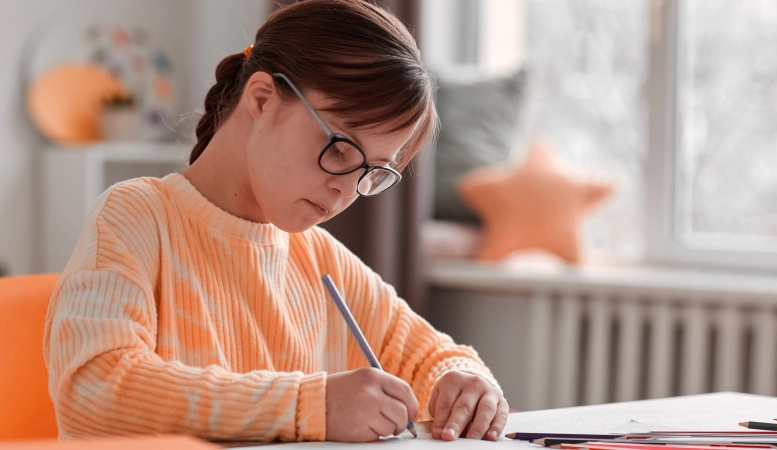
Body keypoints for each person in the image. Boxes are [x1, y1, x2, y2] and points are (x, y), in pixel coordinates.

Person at [43, 0, 508, 443]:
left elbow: (432, 355)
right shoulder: (138, 216)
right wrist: (311, 405)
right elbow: (95, 389)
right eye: (341, 149)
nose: (347, 189)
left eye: (373, 172)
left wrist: (467, 384)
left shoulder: (319, 257)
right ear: (263, 98)